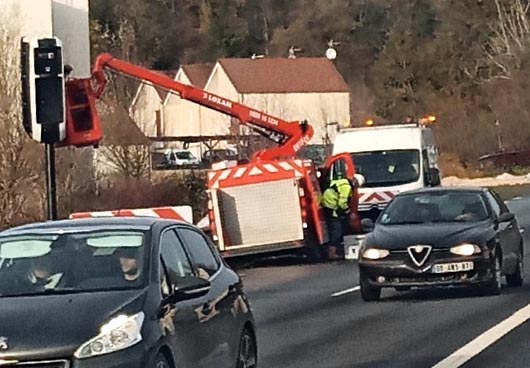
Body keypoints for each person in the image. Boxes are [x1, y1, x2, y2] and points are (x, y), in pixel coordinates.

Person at [321, 167, 354, 259]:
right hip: (332, 207)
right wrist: (347, 210)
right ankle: (332, 253)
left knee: (335, 229)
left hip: (328, 205)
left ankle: (334, 251)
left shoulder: (341, 182)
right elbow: (342, 202)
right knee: (337, 231)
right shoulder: (346, 187)